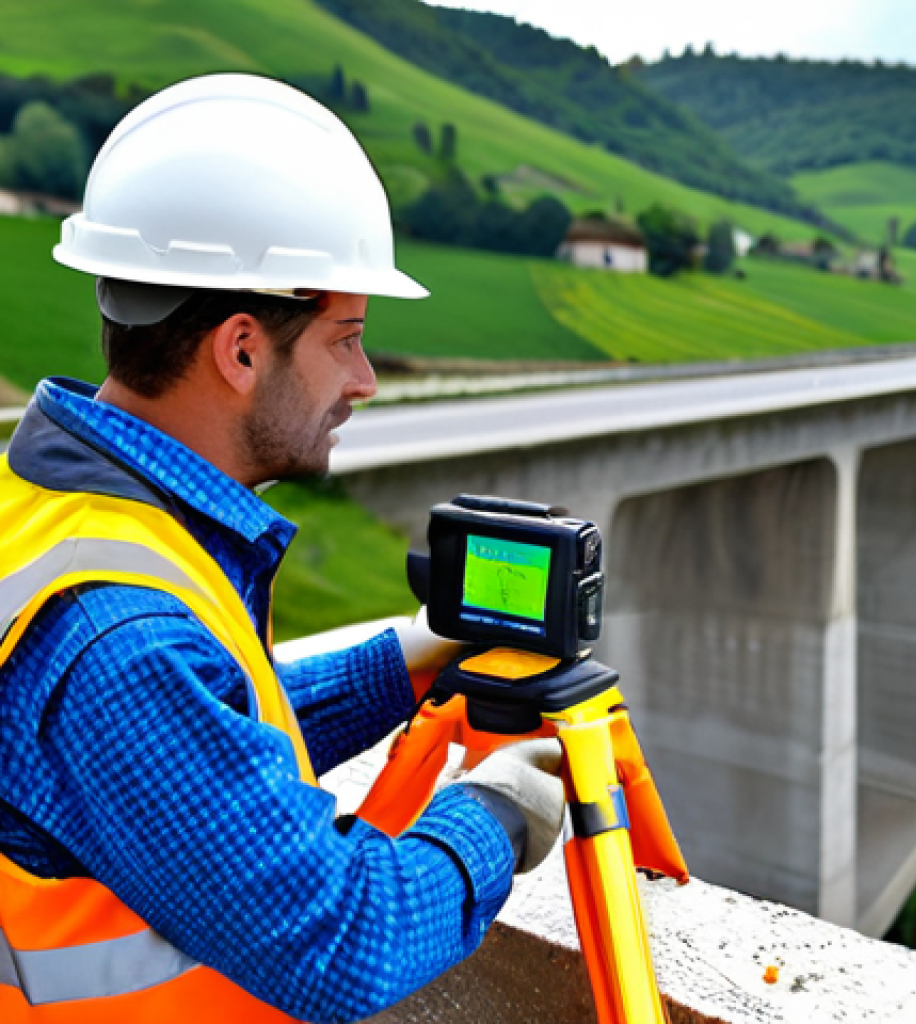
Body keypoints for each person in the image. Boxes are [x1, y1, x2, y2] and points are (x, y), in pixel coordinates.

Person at [0, 74, 564, 1023]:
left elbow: (194, 748)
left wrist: (403, 664)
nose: (368, 379)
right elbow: (344, 942)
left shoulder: (52, 503)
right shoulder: (119, 640)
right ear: (242, 350)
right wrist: (496, 814)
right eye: (347, 339)